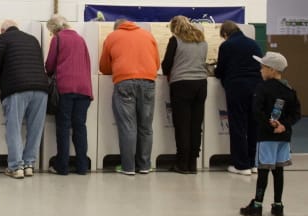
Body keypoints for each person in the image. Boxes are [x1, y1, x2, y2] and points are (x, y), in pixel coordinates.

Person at [240, 52, 301, 216]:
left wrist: (269, 124)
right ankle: (278, 206)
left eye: (263, 67)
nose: (261, 70)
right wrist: (283, 125)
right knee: (279, 170)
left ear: (272, 70)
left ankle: (257, 205)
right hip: (283, 137)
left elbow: (257, 111)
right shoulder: (289, 90)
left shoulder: (262, 88)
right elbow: (296, 113)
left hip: (266, 137)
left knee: (263, 171)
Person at [0, 20, 49, 179]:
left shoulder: (1, 39)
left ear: (2, 30)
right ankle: (29, 165)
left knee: (13, 127)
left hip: (17, 87)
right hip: (41, 88)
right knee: (35, 128)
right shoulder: (33, 39)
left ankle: (16, 167)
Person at [99, 18, 160, 176]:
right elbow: (157, 63)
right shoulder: (148, 35)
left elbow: (104, 67)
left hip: (124, 82)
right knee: (146, 127)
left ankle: (128, 167)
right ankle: (145, 165)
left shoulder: (112, 37)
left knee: (128, 126)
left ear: (116, 28)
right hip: (148, 82)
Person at [44, 14, 93, 175]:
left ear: (54, 28)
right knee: (80, 127)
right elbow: (87, 63)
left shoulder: (57, 39)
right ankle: (82, 166)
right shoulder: (81, 39)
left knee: (63, 127)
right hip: (84, 89)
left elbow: (50, 65)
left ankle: (62, 166)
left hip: (65, 88)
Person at [161, 16, 208, 174]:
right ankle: (193, 164)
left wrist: (168, 71)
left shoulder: (175, 40)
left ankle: (182, 164)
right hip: (201, 84)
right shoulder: (202, 40)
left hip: (181, 84)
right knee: (196, 125)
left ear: (175, 28)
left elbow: (166, 64)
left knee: (182, 125)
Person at [214, 20, 262, 176]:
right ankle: (253, 163)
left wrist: (216, 71)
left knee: (238, 125)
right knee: (253, 125)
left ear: (226, 34)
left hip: (237, 87)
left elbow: (220, 70)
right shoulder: (254, 44)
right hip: (256, 87)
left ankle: (241, 165)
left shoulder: (227, 46)